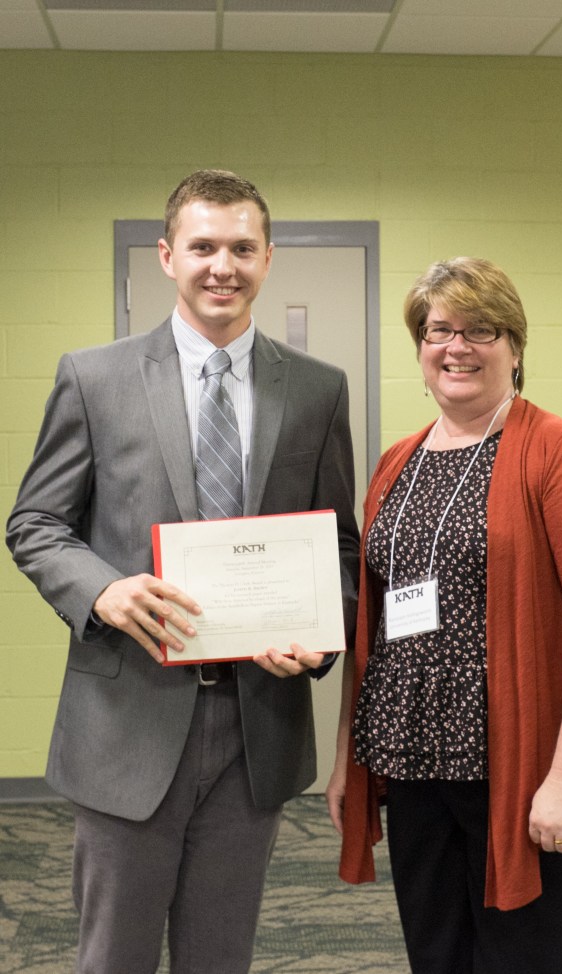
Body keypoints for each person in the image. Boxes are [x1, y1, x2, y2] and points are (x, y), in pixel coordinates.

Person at [6, 168, 359, 974]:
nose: (221, 266)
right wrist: (102, 587)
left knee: (220, 956)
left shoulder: (315, 391)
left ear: (268, 258)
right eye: (203, 246)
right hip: (128, 720)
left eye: (242, 247)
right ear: (167, 255)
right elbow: (35, 522)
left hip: (254, 729)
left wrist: (316, 635)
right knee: (115, 957)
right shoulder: (94, 377)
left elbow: (340, 546)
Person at [326, 256, 562, 974]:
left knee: (530, 960)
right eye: (439, 330)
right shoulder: (395, 463)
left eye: (481, 330)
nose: (456, 346)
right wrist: (350, 758)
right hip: (412, 765)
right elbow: (371, 629)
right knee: (438, 958)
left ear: (516, 347)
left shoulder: (560, 453)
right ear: (420, 346)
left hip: (525, 766)